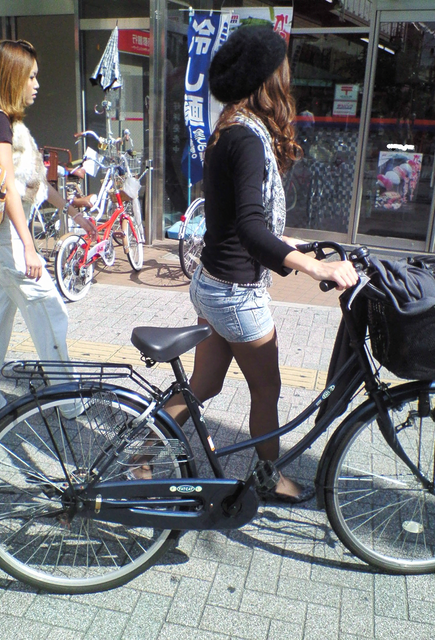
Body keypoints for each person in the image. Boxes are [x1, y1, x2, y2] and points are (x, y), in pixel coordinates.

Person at [165, 26, 358, 503]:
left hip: (212, 282)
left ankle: (141, 447)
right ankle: (269, 478)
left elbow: (233, 222)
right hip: (235, 293)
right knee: (267, 389)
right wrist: (315, 268)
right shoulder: (248, 139)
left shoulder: (228, 129)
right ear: (268, 79)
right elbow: (250, 230)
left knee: (205, 383)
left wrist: (293, 244)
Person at [0, 39, 96, 435]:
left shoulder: (3, 121)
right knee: (48, 308)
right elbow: (7, 185)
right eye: (31, 76)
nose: (37, 84)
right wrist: (29, 247)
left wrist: (74, 212)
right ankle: (69, 399)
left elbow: (35, 183)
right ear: (12, 77)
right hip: (3, 234)